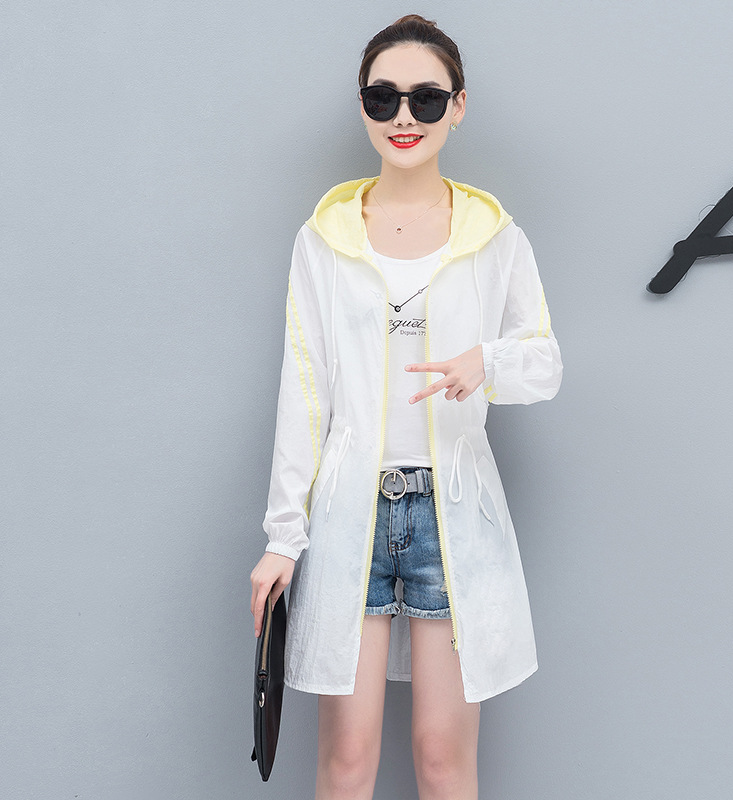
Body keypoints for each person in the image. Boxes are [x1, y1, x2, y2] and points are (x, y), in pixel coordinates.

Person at [250, 14, 562, 800]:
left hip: (452, 512)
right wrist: (283, 538)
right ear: (362, 104)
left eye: (425, 98)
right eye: (382, 97)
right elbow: (305, 390)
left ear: (459, 106)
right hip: (349, 510)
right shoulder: (323, 240)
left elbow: (544, 366)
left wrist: (484, 363)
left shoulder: (494, 236)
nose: (403, 117)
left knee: (443, 760)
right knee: (346, 761)